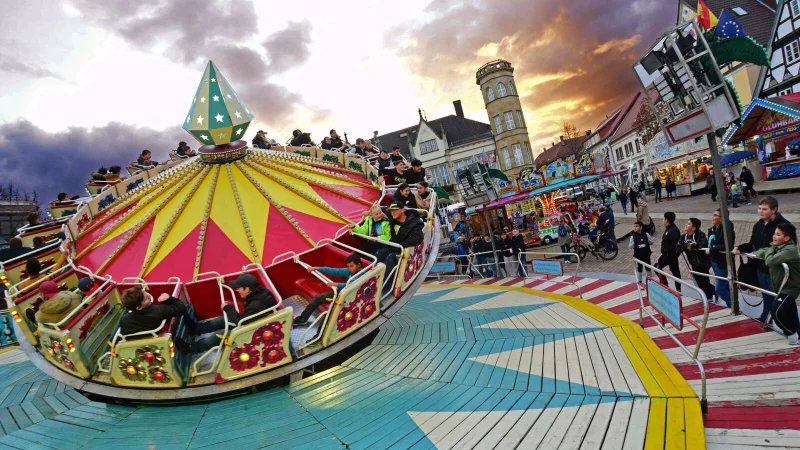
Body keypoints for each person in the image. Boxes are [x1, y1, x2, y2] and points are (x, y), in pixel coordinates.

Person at [182, 274, 277, 353]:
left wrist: (228, 309)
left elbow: (242, 322)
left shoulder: (256, 304)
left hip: (254, 331)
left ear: (247, 289)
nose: (237, 290)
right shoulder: (259, 292)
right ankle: (197, 329)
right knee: (224, 319)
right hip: (253, 321)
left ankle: (192, 348)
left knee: (221, 335)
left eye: (239, 288)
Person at [735, 196, 789, 322]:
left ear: (774, 210)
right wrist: (740, 248)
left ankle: (788, 326)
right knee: (766, 295)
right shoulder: (758, 225)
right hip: (761, 268)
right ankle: (766, 318)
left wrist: (767, 255)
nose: (760, 211)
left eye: (764, 209)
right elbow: (753, 244)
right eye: (759, 208)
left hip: (776, 270)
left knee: (782, 299)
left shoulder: (783, 226)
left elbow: (786, 248)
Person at [748, 223, 800, 344]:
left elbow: (770, 261)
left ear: (786, 238)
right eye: (774, 234)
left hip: (790, 287)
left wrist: (769, 250)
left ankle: (792, 335)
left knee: (777, 312)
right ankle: (797, 332)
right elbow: (761, 251)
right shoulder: (777, 247)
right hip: (781, 286)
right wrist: (763, 252)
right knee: (791, 312)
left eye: (778, 234)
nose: (774, 237)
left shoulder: (790, 250)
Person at [293, 253, 365, 326]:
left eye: (351, 266)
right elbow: (335, 271)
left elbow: (353, 285)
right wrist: (318, 268)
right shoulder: (349, 271)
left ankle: (319, 335)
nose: (350, 269)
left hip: (352, 298)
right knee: (318, 298)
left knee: (328, 313)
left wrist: (336, 284)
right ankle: (303, 318)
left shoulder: (364, 275)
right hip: (342, 292)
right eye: (348, 266)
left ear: (358, 265)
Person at [375, 204, 424, 294]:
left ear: (402, 210)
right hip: (394, 246)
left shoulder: (414, 223)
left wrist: (401, 244)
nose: (392, 212)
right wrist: (370, 211)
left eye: (395, 210)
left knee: (390, 258)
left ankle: (385, 290)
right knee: (379, 253)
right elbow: (385, 209)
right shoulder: (393, 216)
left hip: (403, 249)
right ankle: (375, 282)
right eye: (391, 210)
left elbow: (418, 238)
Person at [119, 286, 187, 336]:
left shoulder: (123, 320)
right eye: (146, 298)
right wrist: (169, 298)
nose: (149, 295)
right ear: (139, 308)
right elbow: (182, 308)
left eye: (145, 292)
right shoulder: (160, 310)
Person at [678, 218, 716, 302]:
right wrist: (689, 246)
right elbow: (678, 247)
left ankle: (711, 295)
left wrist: (687, 246)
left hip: (703, 262)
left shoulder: (700, 235)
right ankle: (714, 292)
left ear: (694, 228)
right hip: (693, 262)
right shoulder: (684, 236)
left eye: (688, 224)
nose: (686, 225)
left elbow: (702, 244)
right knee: (698, 281)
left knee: (704, 281)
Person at [706, 209, 735, 307]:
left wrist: (712, 249)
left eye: (715, 215)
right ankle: (730, 303)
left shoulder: (727, 229)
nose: (712, 217)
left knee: (719, 288)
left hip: (722, 261)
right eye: (713, 215)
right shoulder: (712, 229)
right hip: (714, 260)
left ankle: (733, 305)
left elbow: (726, 245)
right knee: (725, 285)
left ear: (722, 218)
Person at [656, 212, 682, 292]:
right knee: (675, 270)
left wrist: (669, 253)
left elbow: (675, 245)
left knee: (657, 267)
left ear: (666, 220)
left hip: (670, 255)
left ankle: (667, 286)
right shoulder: (668, 228)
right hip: (667, 254)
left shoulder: (673, 230)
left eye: (663, 218)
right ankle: (677, 288)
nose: (662, 220)